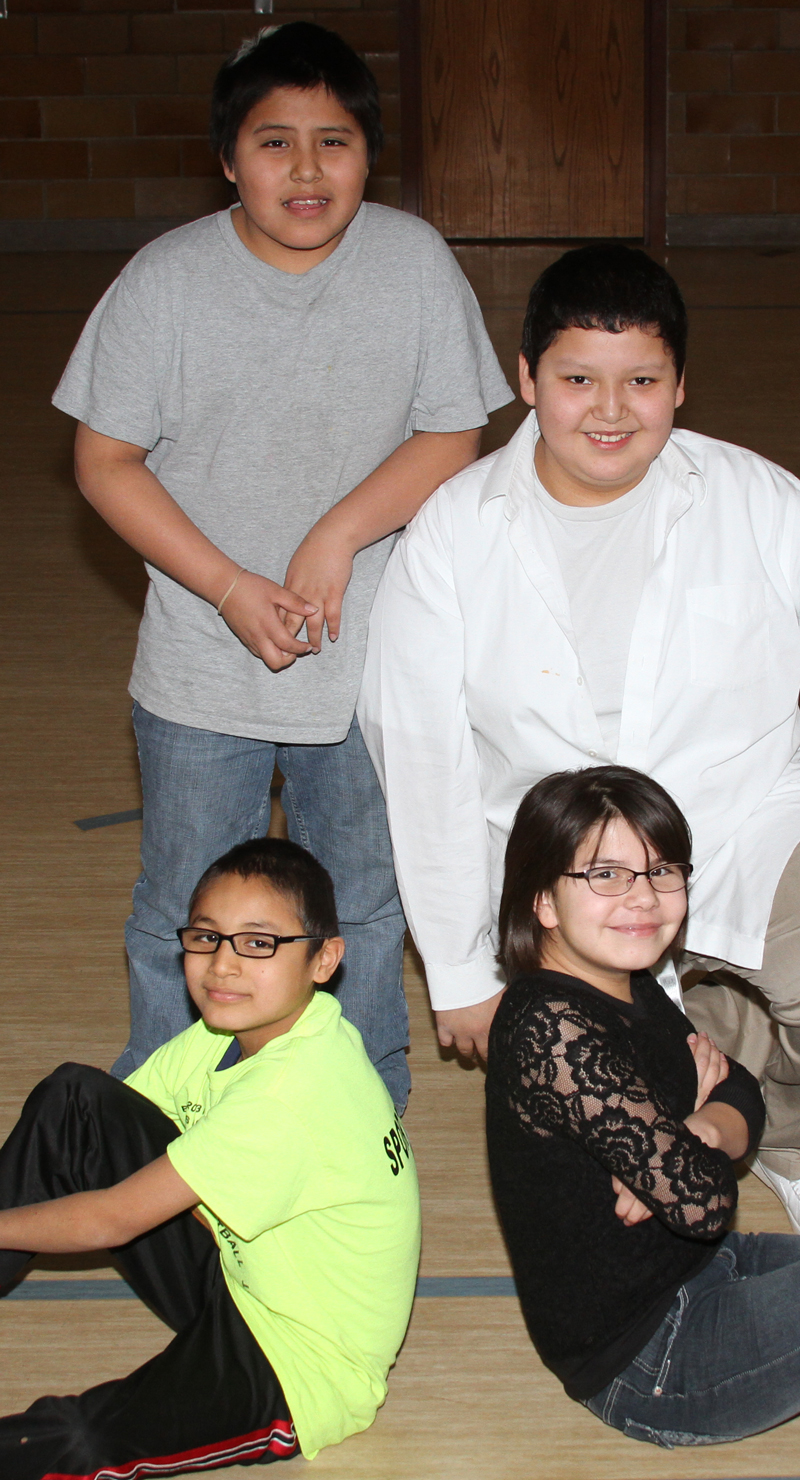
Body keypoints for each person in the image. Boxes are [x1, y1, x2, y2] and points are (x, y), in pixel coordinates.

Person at [359, 242, 800, 1232]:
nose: (609, 410)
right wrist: (459, 971)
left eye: (640, 380)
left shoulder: (754, 497)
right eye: (576, 379)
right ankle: (692, 1035)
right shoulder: (451, 534)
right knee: (603, 1169)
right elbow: (419, 755)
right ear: (525, 380)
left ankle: (797, 1144)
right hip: (555, 871)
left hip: (742, 819)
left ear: (680, 384)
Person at [52, 22, 512, 1110]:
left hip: (367, 666)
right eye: (273, 143)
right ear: (226, 159)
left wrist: (334, 532)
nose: (306, 171)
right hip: (200, 669)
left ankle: (358, 1112)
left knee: (360, 896)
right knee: (186, 901)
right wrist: (222, 582)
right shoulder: (163, 284)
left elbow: (454, 431)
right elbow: (104, 461)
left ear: (369, 155)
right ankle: (167, 1111)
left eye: (334, 141)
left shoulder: (412, 263)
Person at [486, 766, 800, 1448]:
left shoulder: (626, 979)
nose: (643, 898)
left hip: (707, 1269)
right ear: (544, 900)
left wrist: (694, 1128)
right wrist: (691, 1145)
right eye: (606, 876)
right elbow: (704, 1202)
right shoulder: (548, 1027)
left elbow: (742, 1092)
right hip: (657, 1362)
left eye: (661, 871)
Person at [0, 837, 420, 1478]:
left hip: (295, 1359)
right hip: (239, 1268)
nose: (222, 966)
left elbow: (112, 1219)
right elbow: (102, 1136)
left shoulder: (294, 1091)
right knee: (76, 1101)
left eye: (258, 944)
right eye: (205, 938)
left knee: (76, 1441)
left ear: (324, 958)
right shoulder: (223, 1035)